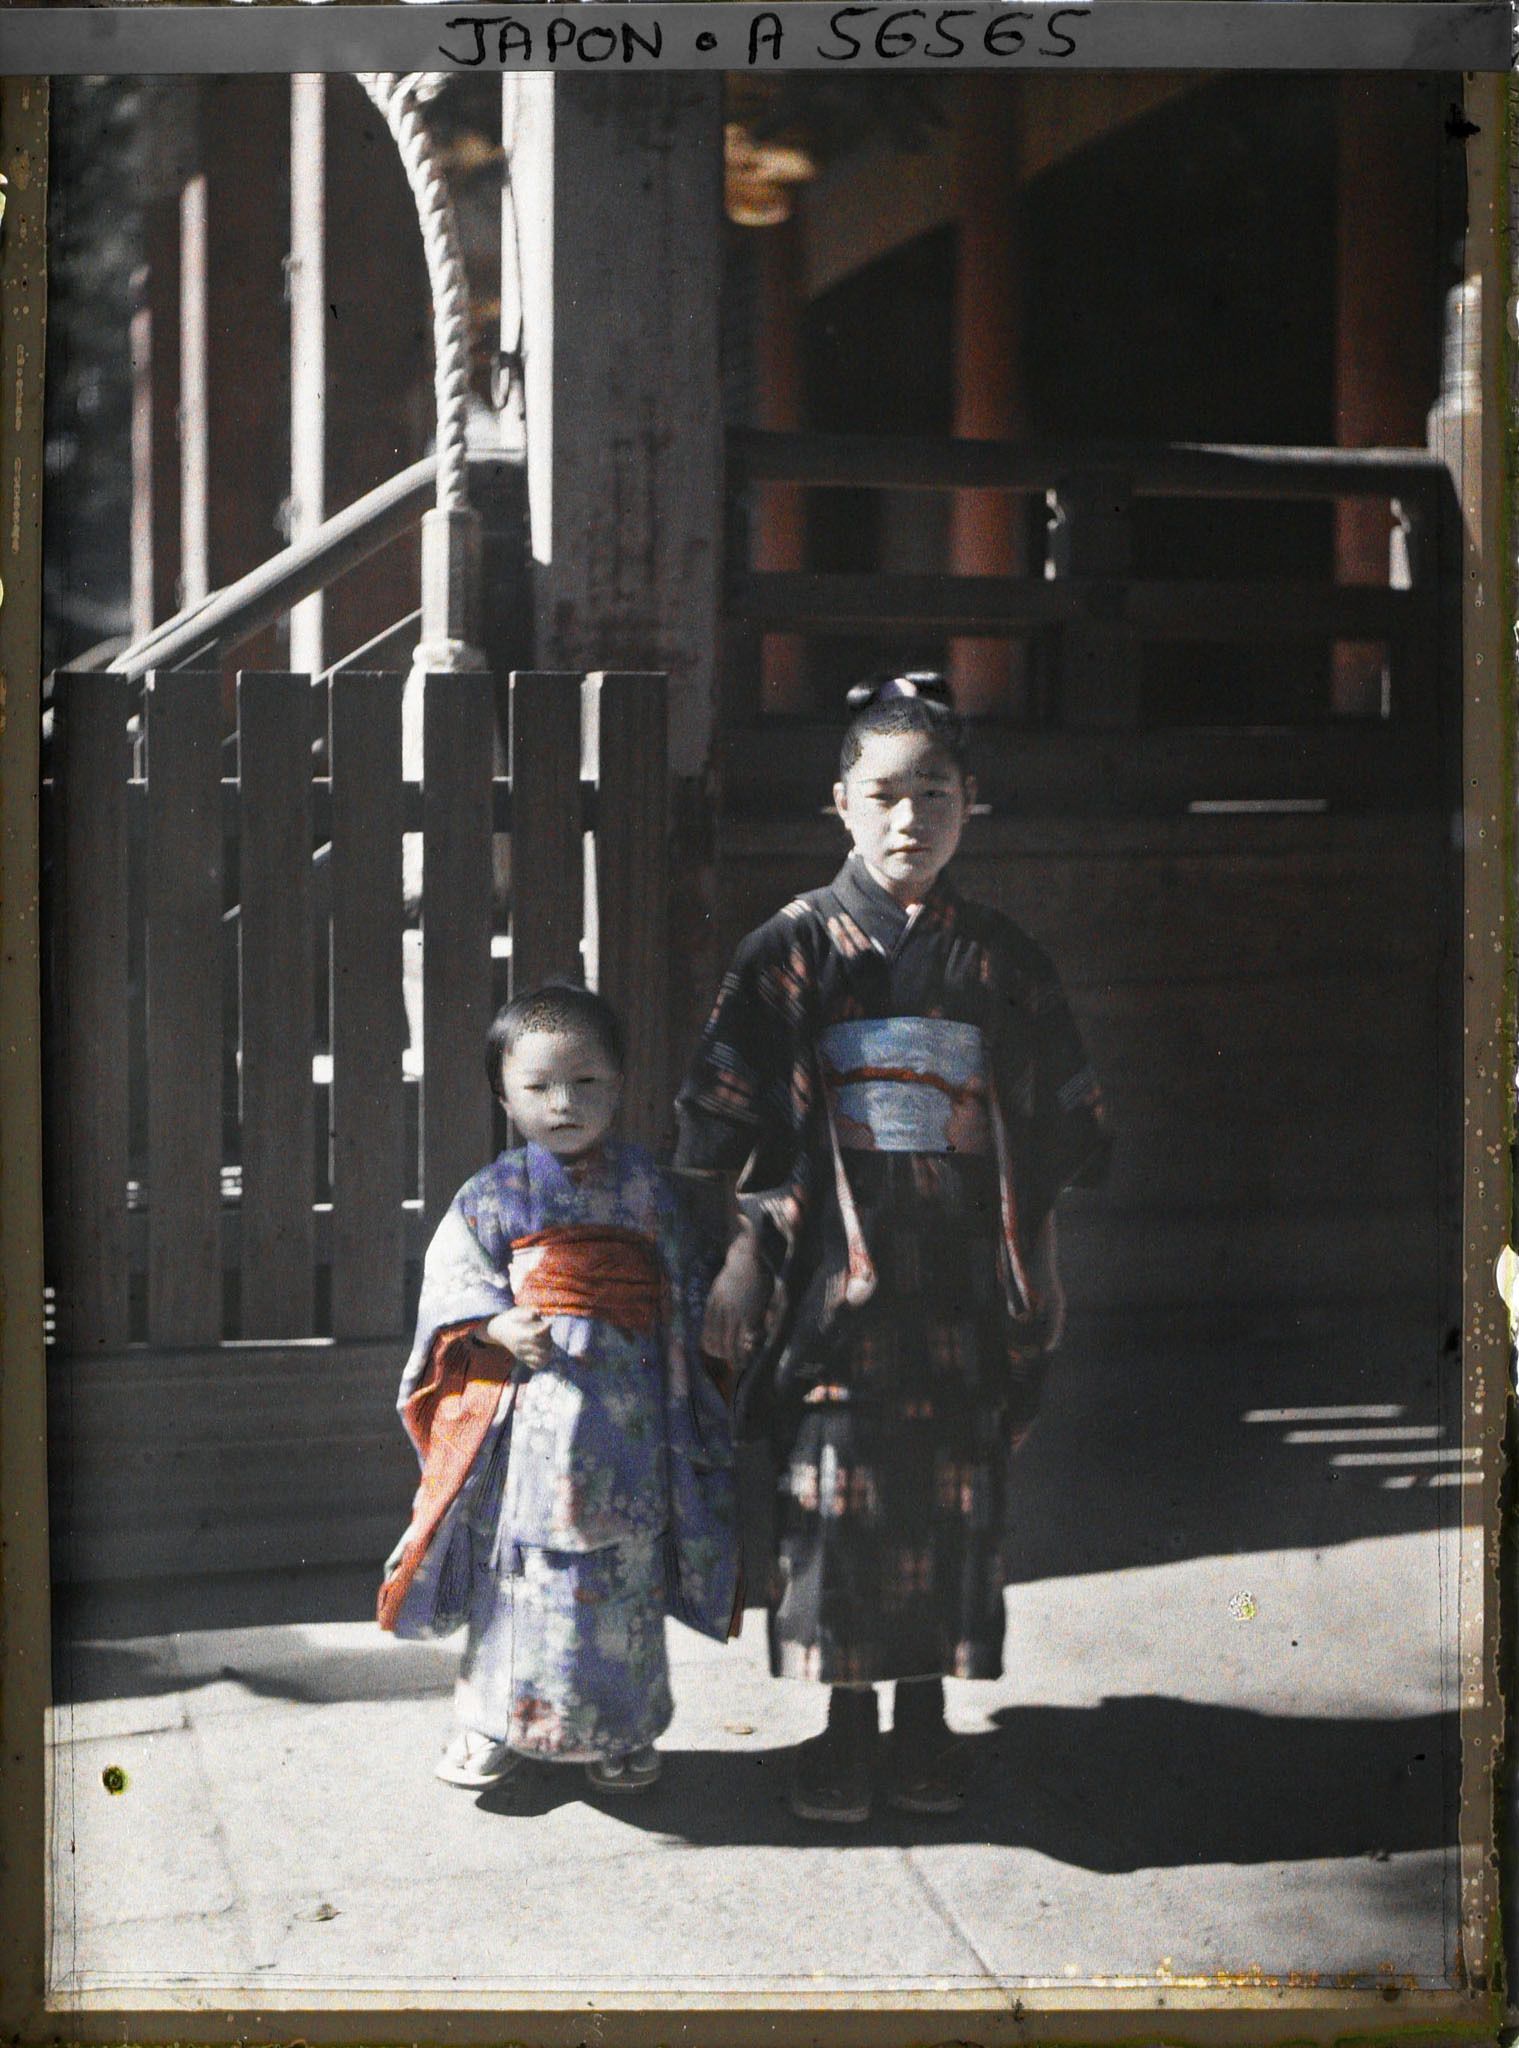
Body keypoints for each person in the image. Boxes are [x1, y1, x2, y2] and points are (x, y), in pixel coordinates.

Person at [676, 674, 1109, 1825]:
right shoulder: (793, 946)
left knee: (946, 1500)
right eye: (883, 794)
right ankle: (841, 1725)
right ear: (839, 804)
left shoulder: (1001, 958)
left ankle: (925, 1720)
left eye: (935, 792)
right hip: (828, 1271)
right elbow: (724, 1117)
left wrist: (1045, 1261)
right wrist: (734, 1257)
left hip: (962, 1274)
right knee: (834, 1505)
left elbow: (1046, 1126)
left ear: (974, 802)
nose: (909, 817)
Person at [379, 983, 738, 1795]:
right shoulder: (495, 1193)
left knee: (623, 1575)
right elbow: (454, 1284)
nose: (564, 1103)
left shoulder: (648, 1190)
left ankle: (620, 1730)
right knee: (522, 1579)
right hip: (534, 1425)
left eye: (587, 1083)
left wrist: (693, 1349)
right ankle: (492, 1724)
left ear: (620, 1086)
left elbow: (684, 1286)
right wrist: (497, 1325)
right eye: (538, 1086)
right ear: (504, 1098)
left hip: (630, 1416)